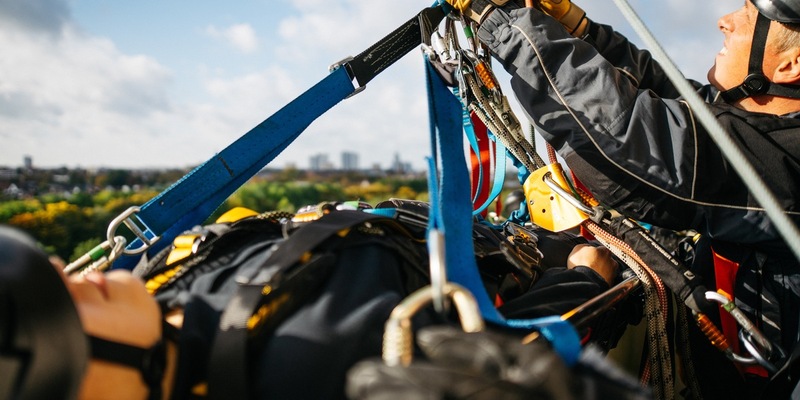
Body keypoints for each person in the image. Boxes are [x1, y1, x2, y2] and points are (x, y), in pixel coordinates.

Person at [444, 0, 800, 398]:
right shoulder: (771, 125)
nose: (725, 21)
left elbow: (633, 133)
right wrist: (580, 28)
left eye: (749, 17)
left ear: (790, 65)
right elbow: (672, 98)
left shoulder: (785, 162)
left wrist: (500, 20)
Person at [0, 197, 629, 400]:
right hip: (518, 264)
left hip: (455, 229)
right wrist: (586, 279)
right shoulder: (327, 375)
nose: (63, 268)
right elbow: (503, 347)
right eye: (55, 300)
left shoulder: (155, 287)